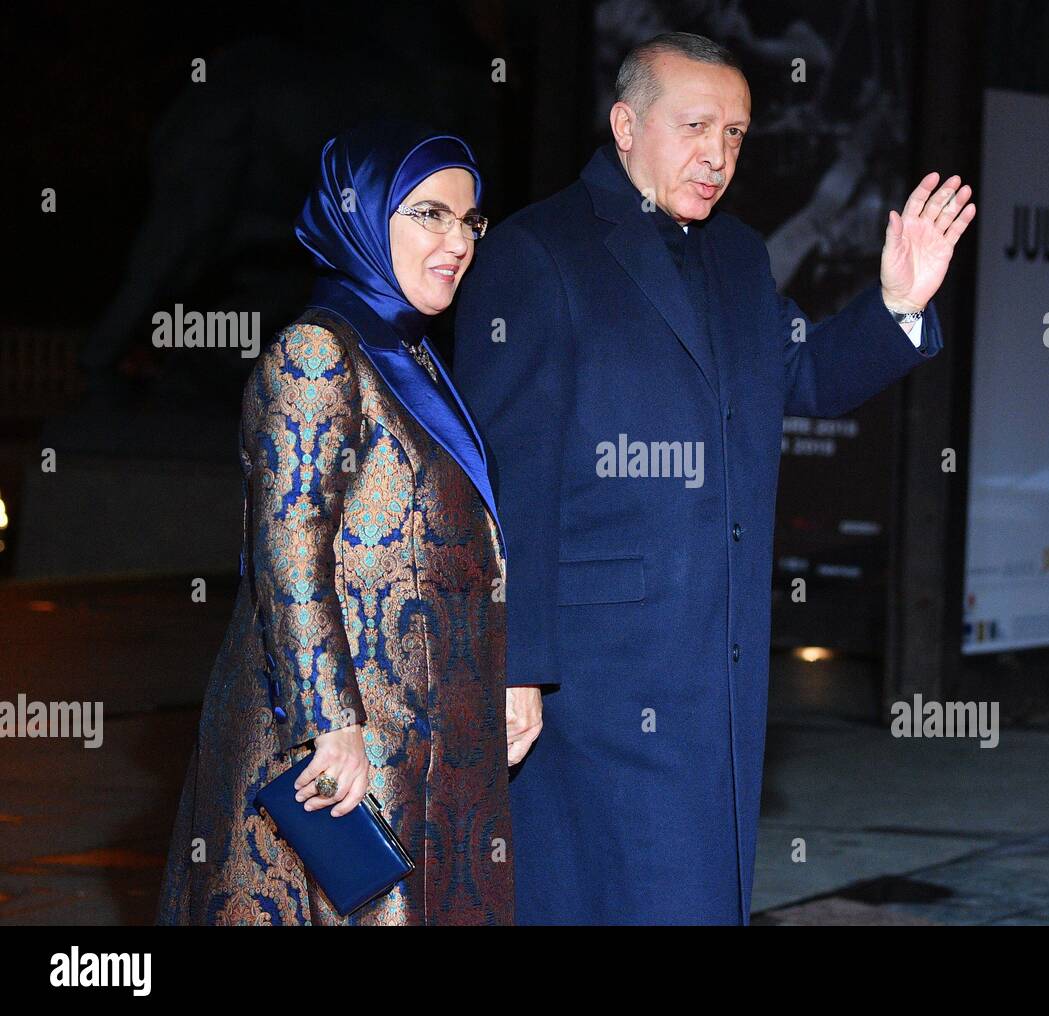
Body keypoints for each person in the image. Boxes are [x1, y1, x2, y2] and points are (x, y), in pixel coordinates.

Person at [452, 32, 974, 924]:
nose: (718, 154)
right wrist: (516, 666)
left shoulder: (737, 255)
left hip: (716, 666)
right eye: (696, 125)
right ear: (625, 124)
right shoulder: (535, 252)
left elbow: (802, 375)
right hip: (590, 679)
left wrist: (898, 305)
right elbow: (506, 481)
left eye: (735, 134)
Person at [156, 121, 527, 925]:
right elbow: (289, 554)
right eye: (428, 213)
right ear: (358, 219)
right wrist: (332, 729)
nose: (457, 239)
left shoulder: (413, 357)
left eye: (468, 220)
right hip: (344, 756)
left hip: (424, 747)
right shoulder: (317, 354)